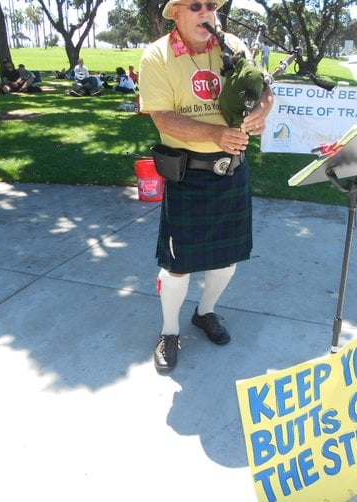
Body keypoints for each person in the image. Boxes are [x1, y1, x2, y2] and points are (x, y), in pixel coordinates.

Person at [139, 0, 274, 372]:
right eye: (195, 6)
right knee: (177, 264)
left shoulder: (232, 45)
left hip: (232, 170)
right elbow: (163, 119)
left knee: (227, 258)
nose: (205, 13)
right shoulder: (157, 56)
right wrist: (216, 133)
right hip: (189, 174)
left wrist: (263, 109)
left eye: (211, 6)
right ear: (176, 14)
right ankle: (169, 331)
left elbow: (262, 86)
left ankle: (205, 312)